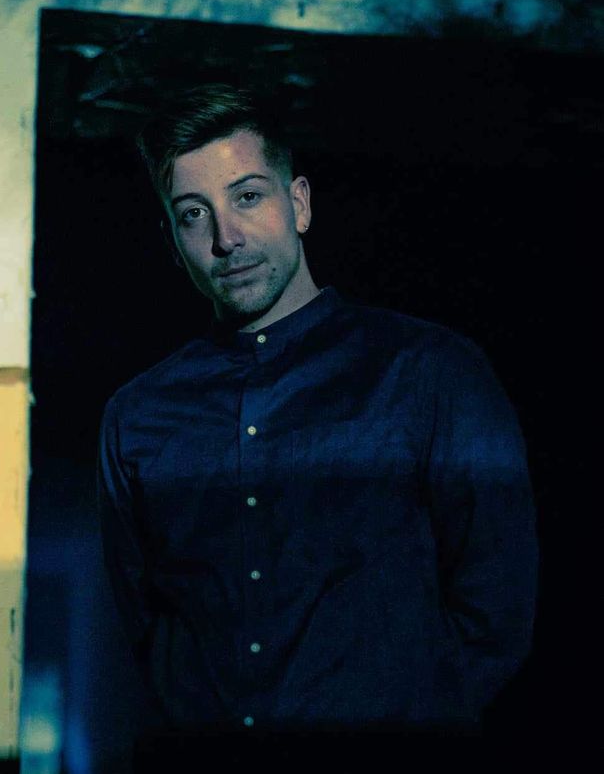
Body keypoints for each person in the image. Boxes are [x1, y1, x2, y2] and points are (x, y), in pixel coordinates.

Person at [96, 83, 538, 771]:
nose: (226, 238)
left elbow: (497, 606)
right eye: (193, 214)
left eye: (248, 197)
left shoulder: (429, 372)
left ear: (298, 203)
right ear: (173, 242)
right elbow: (146, 623)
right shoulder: (136, 415)